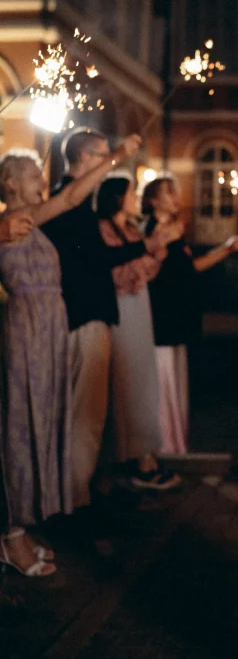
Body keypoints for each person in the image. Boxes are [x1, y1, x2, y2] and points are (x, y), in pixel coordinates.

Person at [0, 137, 139, 577]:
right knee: (21, 425)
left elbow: (73, 196)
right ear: (10, 185)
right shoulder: (13, 222)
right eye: (31, 174)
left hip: (51, 333)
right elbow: (72, 193)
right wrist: (115, 157)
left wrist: (116, 157)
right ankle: (12, 534)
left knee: (45, 421)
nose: (41, 178)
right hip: (26, 332)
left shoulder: (32, 221)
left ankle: (24, 523)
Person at [41, 128, 174, 508]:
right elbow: (95, 262)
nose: (107, 163)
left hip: (88, 316)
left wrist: (142, 246)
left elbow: (97, 259)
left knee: (89, 417)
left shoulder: (75, 206)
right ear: (85, 160)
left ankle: (79, 494)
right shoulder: (68, 204)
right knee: (86, 418)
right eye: (102, 156)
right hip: (83, 317)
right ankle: (75, 502)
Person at [141, 173, 238, 454]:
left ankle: (175, 445)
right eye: (169, 193)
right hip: (161, 321)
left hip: (179, 318)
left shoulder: (176, 233)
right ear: (153, 201)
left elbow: (192, 267)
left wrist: (226, 248)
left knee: (176, 384)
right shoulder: (148, 230)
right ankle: (162, 447)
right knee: (162, 384)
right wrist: (165, 236)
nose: (177, 198)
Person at [96, 174, 182, 490]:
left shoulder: (131, 230)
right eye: (131, 193)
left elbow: (146, 267)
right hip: (122, 306)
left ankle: (142, 454)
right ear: (117, 197)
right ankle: (128, 458)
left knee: (141, 377)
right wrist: (154, 248)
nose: (135, 199)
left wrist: (155, 251)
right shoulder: (104, 230)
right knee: (124, 377)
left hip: (138, 303)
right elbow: (119, 271)